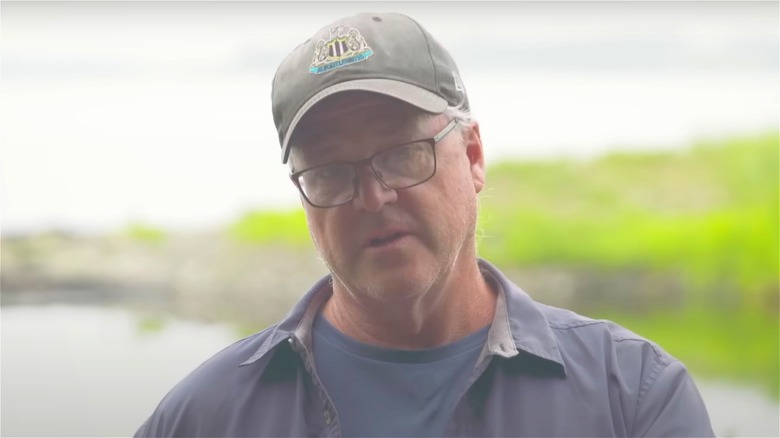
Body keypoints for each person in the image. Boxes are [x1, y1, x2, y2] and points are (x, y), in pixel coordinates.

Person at [135, 12, 714, 437]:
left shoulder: (631, 397)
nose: (374, 196)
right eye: (332, 173)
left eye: (404, 153)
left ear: (474, 155)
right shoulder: (202, 419)